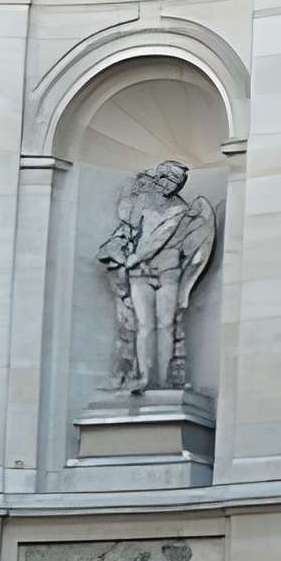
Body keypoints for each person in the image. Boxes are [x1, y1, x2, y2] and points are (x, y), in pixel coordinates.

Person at [96, 160, 217, 392]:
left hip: (168, 270)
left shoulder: (181, 209)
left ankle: (164, 381)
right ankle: (145, 377)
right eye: (167, 179)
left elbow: (160, 239)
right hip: (140, 273)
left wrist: (136, 257)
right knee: (144, 325)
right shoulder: (142, 201)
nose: (171, 185)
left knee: (165, 325)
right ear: (159, 178)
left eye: (176, 182)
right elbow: (128, 225)